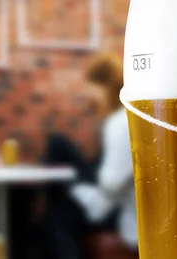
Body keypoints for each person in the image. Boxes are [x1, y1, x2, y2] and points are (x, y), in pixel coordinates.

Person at [71, 53, 137, 250]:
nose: (87, 98)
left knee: (58, 147)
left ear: (104, 87)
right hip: (118, 203)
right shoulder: (126, 118)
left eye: (90, 90)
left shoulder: (120, 122)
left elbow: (111, 183)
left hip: (118, 211)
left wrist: (79, 188)